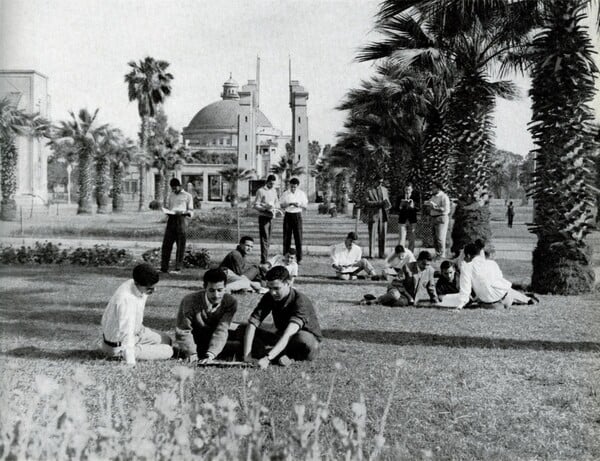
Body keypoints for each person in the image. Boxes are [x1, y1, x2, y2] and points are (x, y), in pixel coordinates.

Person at [243, 266, 322, 368]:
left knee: (303, 338)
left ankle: (286, 356)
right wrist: (247, 356)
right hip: (282, 337)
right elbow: (253, 323)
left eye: (276, 288)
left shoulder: (301, 301)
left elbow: (289, 334)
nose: (272, 292)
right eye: (269, 288)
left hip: (306, 343)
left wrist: (267, 358)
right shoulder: (269, 297)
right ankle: (279, 354)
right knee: (244, 328)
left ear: (288, 283)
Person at [100, 263, 173, 364]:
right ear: (137, 283)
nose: (154, 291)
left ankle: (144, 345)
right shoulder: (126, 300)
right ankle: (120, 354)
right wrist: (130, 362)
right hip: (118, 346)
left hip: (137, 333)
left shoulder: (134, 284)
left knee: (167, 340)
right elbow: (126, 333)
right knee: (168, 351)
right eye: (149, 289)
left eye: (154, 287)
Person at [175, 268, 240, 364]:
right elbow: (183, 330)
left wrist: (211, 354)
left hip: (217, 337)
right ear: (204, 287)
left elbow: (222, 329)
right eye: (212, 290)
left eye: (220, 290)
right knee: (238, 347)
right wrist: (191, 353)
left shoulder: (230, 302)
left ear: (225, 287)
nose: (216, 295)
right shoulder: (189, 301)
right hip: (198, 341)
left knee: (246, 330)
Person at [455, 243, 538, 310]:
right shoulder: (492, 263)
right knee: (507, 290)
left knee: (484, 296)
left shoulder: (466, 267)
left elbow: (465, 289)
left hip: (492, 305)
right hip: (507, 297)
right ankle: (527, 299)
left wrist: (459, 306)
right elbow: (500, 279)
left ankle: (525, 299)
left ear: (468, 256)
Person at [161, 178, 194, 274]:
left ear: (180, 186)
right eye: (172, 188)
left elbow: (191, 211)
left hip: (181, 219)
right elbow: (170, 207)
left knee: (180, 245)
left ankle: (178, 268)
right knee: (166, 244)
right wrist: (167, 211)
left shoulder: (188, 196)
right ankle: (164, 267)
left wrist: (184, 212)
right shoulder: (171, 195)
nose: (174, 190)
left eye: (175, 188)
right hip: (171, 219)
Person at [280, 177, 308, 263]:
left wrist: (298, 205)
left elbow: (305, 206)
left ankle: (299, 258)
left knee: (298, 238)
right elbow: (281, 205)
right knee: (286, 238)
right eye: (291, 186)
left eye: (294, 187)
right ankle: (286, 256)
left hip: (297, 215)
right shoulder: (285, 193)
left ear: (297, 186)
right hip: (288, 215)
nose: (293, 188)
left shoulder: (301, 194)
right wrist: (289, 203)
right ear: (289, 185)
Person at [253, 174, 280, 264]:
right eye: (271, 183)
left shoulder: (274, 191)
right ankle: (264, 260)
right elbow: (256, 205)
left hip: (272, 217)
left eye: (273, 184)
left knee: (268, 239)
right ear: (267, 182)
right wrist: (265, 208)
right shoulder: (260, 191)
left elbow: (277, 203)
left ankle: (265, 257)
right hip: (264, 217)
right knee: (264, 239)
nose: (272, 185)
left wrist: (275, 208)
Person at [363, 176, 391, 258]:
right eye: (378, 182)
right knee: (372, 235)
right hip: (374, 214)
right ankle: (371, 254)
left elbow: (387, 201)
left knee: (383, 235)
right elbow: (366, 202)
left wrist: (388, 205)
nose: (380, 184)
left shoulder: (385, 190)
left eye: (381, 182)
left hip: (383, 214)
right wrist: (378, 203)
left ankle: (381, 254)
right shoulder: (369, 190)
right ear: (374, 181)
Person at [426, 181, 451, 259]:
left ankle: (442, 255)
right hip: (433, 217)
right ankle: (438, 254)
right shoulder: (433, 197)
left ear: (438, 188)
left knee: (440, 238)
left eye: (434, 188)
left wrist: (435, 207)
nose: (432, 189)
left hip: (441, 218)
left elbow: (446, 210)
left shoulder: (444, 197)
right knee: (435, 238)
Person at [396, 182, 420, 252]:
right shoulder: (400, 197)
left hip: (412, 220)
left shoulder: (415, 197)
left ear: (412, 190)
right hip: (402, 220)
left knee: (412, 238)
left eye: (409, 189)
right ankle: (401, 254)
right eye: (406, 189)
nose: (407, 191)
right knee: (401, 239)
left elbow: (419, 208)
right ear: (404, 189)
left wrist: (413, 206)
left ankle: (411, 253)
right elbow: (395, 209)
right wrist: (400, 206)